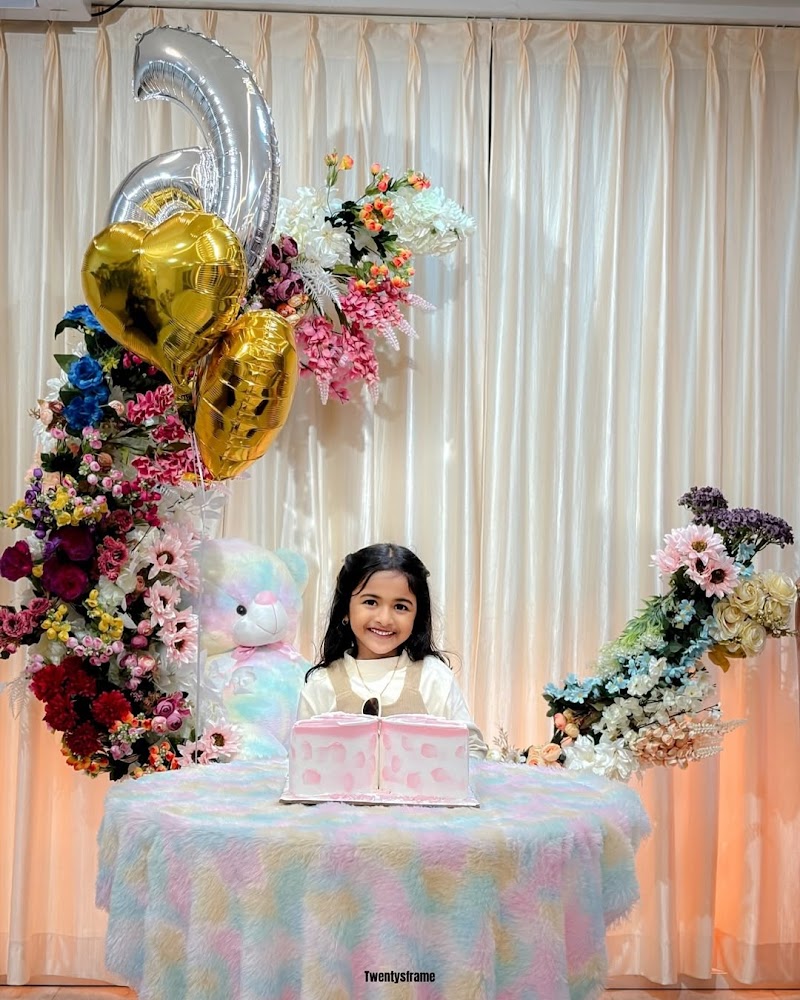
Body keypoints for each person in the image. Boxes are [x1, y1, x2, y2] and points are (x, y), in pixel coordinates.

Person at [298, 542, 488, 758]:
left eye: (400, 607)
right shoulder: (321, 685)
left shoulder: (433, 677)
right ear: (345, 610)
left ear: (417, 616)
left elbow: (472, 749)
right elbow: (302, 759)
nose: (384, 619)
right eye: (371, 602)